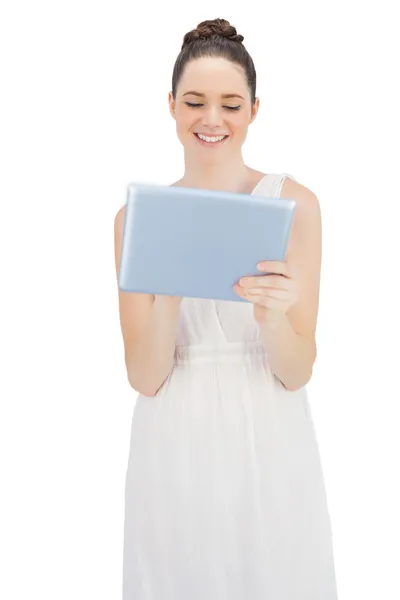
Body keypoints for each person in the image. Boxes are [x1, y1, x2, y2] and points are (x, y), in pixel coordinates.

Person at [114, 17, 338, 600]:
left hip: (267, 436)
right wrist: (169, 285)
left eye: (230, 104)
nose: (212, 120)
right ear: (170, 105)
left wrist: (274, 316)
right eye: (195, 102)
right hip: (174, 443)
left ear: (254, 110)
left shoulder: (294, 205)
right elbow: (144, 376)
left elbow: (296, 371)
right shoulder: (136, 220)